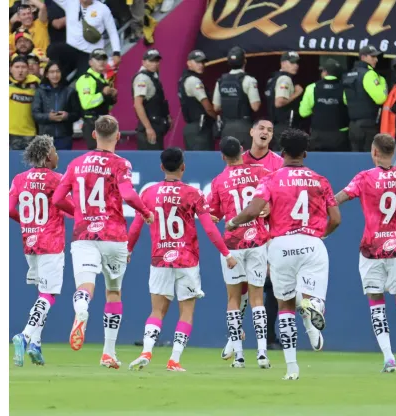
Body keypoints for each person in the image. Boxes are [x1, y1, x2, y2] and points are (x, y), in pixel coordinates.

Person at [226, 129, 342, 380]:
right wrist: (320, 235)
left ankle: (292, 368)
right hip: (312, 243)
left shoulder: (270, 179)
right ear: (305, 154)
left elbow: (254, 210)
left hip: (280, 245)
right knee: (313, 296)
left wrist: (234, 222)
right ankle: (312, 307)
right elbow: (336, 219)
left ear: (282, 153)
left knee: (284, 306)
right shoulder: (320, 180)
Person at [52, 115, 155, 369]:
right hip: (114, 236)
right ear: (118, 136)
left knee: (86, 285)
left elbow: (56, 199)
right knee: (113, 292)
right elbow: (129, 194)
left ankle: (82, 308)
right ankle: (108, 352)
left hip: (84, 234)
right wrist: (145, 212)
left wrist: (77, 210)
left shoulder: (77, 163)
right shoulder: (120, 163)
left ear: (94, 135)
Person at [126, 148, 237, 372]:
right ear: (183, 167)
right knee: (186, 312)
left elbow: (136, 227)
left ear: (161, 167)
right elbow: (210, 229)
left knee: (157, 311)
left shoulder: (148, 193)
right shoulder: (193, 194)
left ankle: (146, 351)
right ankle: (174, 360)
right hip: (187, 260)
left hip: (160, 259)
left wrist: (127, 250)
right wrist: (227, 253)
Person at [334, 133, 396, 372]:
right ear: (393, 153)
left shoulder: (364, 178)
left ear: (374, 152)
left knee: (376, 303)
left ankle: (389, 358)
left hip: (372, 249)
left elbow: (338, 198)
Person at [208, 137, 273, 369]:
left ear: (223, 156)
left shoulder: (218, 181)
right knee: (257, 299)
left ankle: (239, 356)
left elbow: (211, 213)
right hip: (256, 241)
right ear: (243, 152)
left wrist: (217, 216)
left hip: (233, 244)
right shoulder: (261, 172)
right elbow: (272, 200)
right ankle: (263, 354)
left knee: (234, 299)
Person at [9, 135, 74, 367]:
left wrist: (26, 223)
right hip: (51, 242)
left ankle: (35, 344)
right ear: (48, 157)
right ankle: (25, 335)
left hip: (30, 242)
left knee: (42, 291)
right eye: (55, 151)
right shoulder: (57, 179)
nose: (58, 155)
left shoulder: (19, 179)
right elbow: (70, 206)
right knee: (49, 294)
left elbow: (8, 208)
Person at [214, 46, 262, 150]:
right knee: (246, 161)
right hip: (243, 127)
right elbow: (255, 106)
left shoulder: (220, 81)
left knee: (230, 161)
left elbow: (216, 107)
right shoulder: (249, 80)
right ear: (244, 61)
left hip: (226, 127)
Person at [343, 45, 388, 152]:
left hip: (353, 126)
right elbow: (381, 98)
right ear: (363, 57)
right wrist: (382, 81)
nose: (376, 60)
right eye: (373, 57)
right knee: (369, 161)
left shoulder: (349, 75)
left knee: (355, 161)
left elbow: (345, 100)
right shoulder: (369, 74)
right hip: (368, 126)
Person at [299, 59, 350, 151]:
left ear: (325, 72)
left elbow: (303, 113)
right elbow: (351, 108)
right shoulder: (345, 88)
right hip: (339, 135)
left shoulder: (312, 87)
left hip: (318, 135)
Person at [33, 61, 82, 150]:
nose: (55, 75)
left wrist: (67, 116)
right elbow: (35, 114)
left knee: (63, 162)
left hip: (65, 137)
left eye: (57, 71)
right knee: (45, 163)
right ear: (47, 74)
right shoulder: (40, 92)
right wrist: (49, 117)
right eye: (52, 72)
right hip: (45, 138)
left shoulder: (70, 91)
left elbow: (77, 113)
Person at [76, 49, 118, 150]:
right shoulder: (86, 79)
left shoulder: (102, 79)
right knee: (97, 157)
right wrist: (103, 94)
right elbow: (86, 103)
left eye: (104, 59)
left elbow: (106, 106)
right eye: (98, 59)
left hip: (102, 122)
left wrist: (112, 97)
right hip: (92, 123)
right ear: (90, 62)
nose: (102, 62)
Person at [178, 50, 217, 151]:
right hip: (199, 129)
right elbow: (207, 107)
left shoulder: (184, 79)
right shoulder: (194, 80)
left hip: (192, 128)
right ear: (189, 63)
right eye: (197, 62)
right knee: (205, 162)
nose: (201, 65)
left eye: (202, 62)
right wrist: (217, 119)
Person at [133, 49, 171, 150]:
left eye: (156, 61)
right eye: (151, 61)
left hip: (156, 125)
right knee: (151, 161)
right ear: (143, 62)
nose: (154, 64)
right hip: (149, 127)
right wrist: (148, 128)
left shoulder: (152, 76)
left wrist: (167, 117)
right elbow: (138, 104)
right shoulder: (142, 78)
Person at [265, 51, 303, 150]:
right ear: (283, 63)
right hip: (284, 125)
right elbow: (279, 102)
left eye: (297, 63)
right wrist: (297, 93)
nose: (296, 66)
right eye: (292, 63)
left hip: (275, 125)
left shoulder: (273, 77)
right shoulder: (285, 79)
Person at [10, 55, 41, 150]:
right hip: (9, 134)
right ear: (10, 69)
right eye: (17, 67)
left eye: (23, 67)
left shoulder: (36, 85)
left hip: (30, 134)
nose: (20, 70)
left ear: (28, 69)